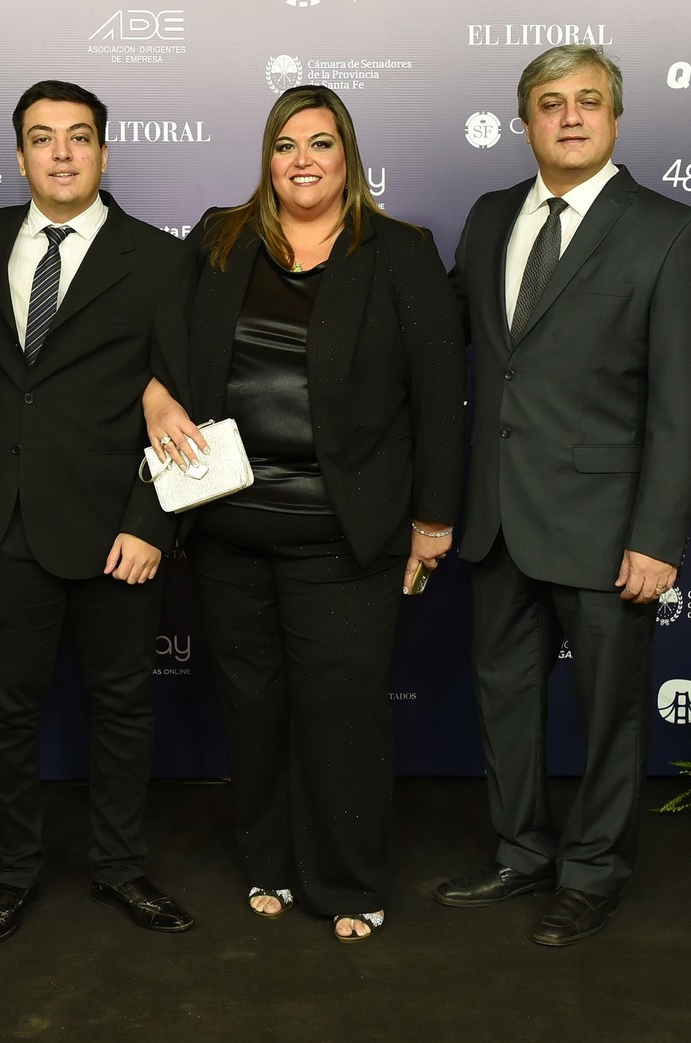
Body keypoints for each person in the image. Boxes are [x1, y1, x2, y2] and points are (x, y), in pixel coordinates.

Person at [146, 84, 465, 943]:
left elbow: (440, 394)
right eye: (286, 145)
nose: (302, 161)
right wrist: (151, 397)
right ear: (267, 157)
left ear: (347, 155)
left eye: (320, 144)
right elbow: (157, 339)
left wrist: (432, 519)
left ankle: (348, 880)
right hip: (228, 531)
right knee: (252, 708)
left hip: (344, 534)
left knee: (343, 708)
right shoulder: (220, 238)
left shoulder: (399, 251)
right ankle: (269, 867)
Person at [434, 44, 691, 945]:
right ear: (525, 122)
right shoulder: (486, 218)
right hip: (497, 520)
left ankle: (592, 871)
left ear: (615, 118)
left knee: (610, 715)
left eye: (587, 101)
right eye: (549, 103)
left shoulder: (668, 229)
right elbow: (446, 347)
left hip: (606, 530)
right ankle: (521, 853)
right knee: (504, 700)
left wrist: (657, 535)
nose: (569, 116)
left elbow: (678, 402)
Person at [0, 80, 194, 947]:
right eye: (42, 138)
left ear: (104, 151)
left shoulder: (158, 260)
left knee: (123, 707)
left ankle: (120, 866)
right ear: (18, 155)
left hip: (115, 530)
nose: (61, 152)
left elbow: (183, 401)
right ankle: (12, 873)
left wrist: (152, 521)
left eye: (79, 136)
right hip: (5, 526)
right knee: (7, 715)